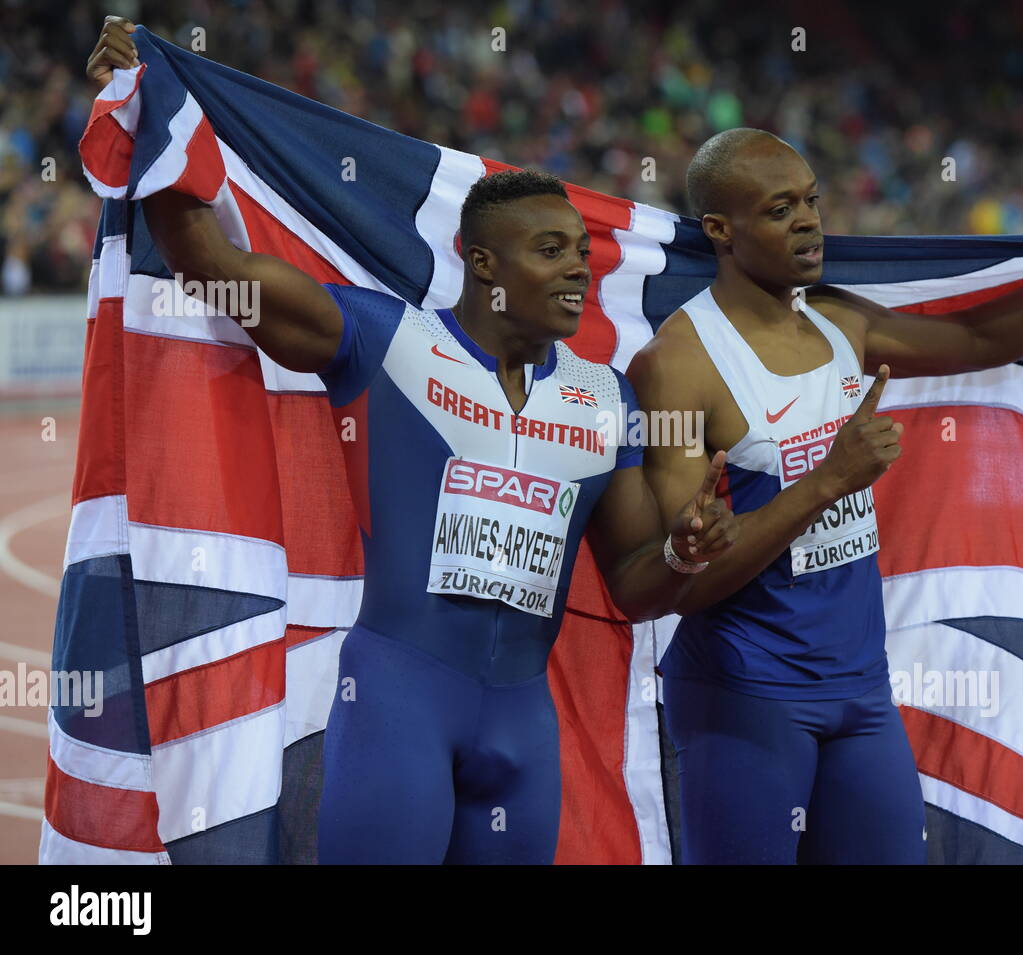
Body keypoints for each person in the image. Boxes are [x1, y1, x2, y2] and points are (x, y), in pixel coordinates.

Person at [86, 18, 738, 865]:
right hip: (398, 706)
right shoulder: (386, 342)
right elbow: (215, 268)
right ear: (482, 263)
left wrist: (686, 554)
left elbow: (635, 583)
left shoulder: (602, 400)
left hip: (522, 734)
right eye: (551, 251)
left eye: (581, 251)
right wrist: (152, 120)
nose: (579, 269)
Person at [627, 127, 1023, 864]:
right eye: (780, 209)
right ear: (720, 229)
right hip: (745, 693)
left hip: (860, 689)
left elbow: (978, 342)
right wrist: (829, 481)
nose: (809, 220)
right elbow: (686, 580)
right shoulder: (676, 367)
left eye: (811, 201)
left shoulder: (840, 323)